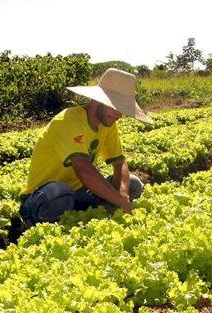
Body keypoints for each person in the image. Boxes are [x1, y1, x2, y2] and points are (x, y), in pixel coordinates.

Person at [19, 68, 153, 226]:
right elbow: (83, 169)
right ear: (99, 100)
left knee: (134, 184)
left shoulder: (108, 124)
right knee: (60, 194)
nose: (119, 115)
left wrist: (123, 194)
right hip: (44, 196)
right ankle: (32, 221)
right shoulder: (68, 120)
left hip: (80, 193)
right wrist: (119, 201)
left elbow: (119, 162)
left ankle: (84, 222)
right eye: (116, 107)